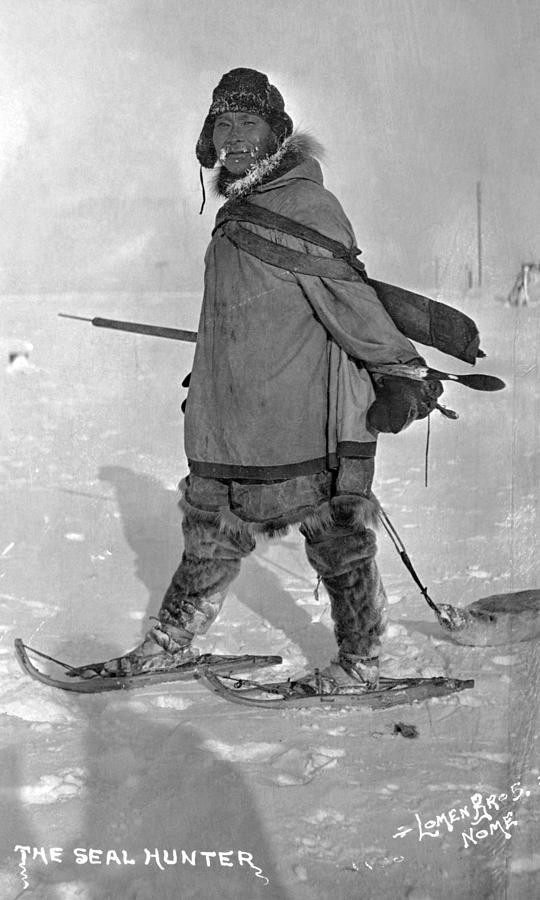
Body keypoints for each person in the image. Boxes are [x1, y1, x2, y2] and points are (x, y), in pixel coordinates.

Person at [76, 68, 442, 691]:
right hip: (231, 415)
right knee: (209, 531)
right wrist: (212, 371)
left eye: (248, 121)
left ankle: (362, 659)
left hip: (301, 413)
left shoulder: (307, 206)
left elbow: (348, 301)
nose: (234, 135)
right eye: (223, 124)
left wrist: (400, 370)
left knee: (334, 532)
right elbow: (245, 310)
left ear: (276, 134)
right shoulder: (240, 210)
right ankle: (170, 641)